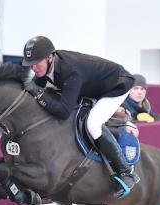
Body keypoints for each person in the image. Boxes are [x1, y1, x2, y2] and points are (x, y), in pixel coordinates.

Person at [21, 36, 139, 196]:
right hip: (94, 86)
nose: (33, 68)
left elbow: (63, 112)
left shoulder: (70, 70)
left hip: (117, 85)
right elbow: (34, 92)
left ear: (50, 57)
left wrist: (36, 91)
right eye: (30, 65)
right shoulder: (47, 66)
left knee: (93, 123)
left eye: (36, 63)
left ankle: (126, 171)